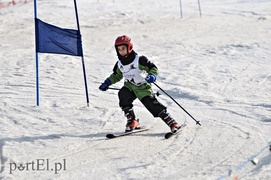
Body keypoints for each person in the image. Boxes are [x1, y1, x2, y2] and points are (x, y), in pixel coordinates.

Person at [99, 35, 180, 133]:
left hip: (142, 87)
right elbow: (116, 75)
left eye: (123, 48)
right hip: (130, 87)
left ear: (129, 47)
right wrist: (107, 82)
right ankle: (132, 120)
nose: (121, 51)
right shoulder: (119, 64)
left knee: (151, 104)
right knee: (123, 94)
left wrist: (152, 75)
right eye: (119, 49)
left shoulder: (139, 60)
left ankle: (171, 122)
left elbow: (152, 68)